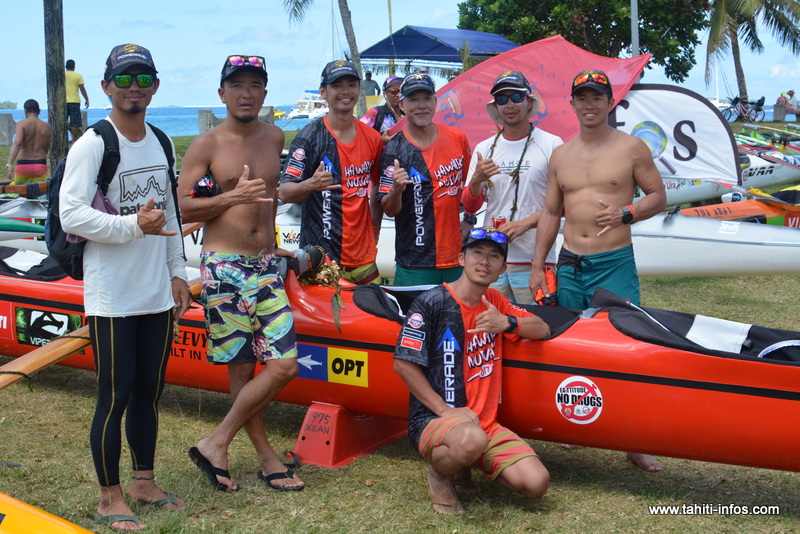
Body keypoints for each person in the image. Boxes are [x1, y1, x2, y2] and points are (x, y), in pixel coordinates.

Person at [59, 43, 189, 531]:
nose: (135, 87)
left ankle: (143, 481)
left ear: (155, 86)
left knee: (148, 391)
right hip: (112, 295)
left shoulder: (160, 140)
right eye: (125, 78)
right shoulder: (93, 142)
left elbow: (171, 214)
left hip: (156, 290)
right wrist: (135, 225)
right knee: (113, 395)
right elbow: (71, 213)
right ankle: (109, 496)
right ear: (107, 85)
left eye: (144, 78)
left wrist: (177, 271)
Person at [528, 69, 667, 472]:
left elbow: (658, 195)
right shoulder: (561, 155)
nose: (589, 105)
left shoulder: (631, 149)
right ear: (572, 104)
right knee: (568, 345)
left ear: (610, 103)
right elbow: (552, 211)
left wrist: (628, 211)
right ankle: (572, 426)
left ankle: (634, 440)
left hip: (613, 262)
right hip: (571, 262)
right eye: (582, 98)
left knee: (628, 347)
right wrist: (540, 265)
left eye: (597, 98)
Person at [180, 55, 304, 492]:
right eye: (237, 85)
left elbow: (273, 190)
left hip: (267, 265)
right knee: (242, 368)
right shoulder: (206, 146)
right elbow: (184, 207)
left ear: (265, 94)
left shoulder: (275, 135)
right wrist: (231, 198)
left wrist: (301, 188)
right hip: (225, 267)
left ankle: (216, 442)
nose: (246, 92)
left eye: (255, 85)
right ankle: (267, 458)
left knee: (284, 364)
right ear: (221, 94)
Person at [393, 227, 551, 514]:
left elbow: (542, 327)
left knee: (536, 483)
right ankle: (442, 476)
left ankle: (467, 463)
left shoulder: (496, 302)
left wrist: (508, 323)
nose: (484, 261)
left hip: (484, 425)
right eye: (477, 252)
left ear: (502, 268)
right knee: (471, 438)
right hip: (433, 420)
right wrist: (444, 411)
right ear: (461, 258)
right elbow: (403, 364)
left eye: (494, 256)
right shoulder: (433, 302)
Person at [462, 71, 563, 304]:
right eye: (502, 99)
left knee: (533, 324)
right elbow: (470, 204)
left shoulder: (551, 144)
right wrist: (476, 181)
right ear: (495, 107)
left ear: (529, 102)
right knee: (492, 325)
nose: (509, 104)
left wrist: (524, 224)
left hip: (535, 259)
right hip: (492, 258)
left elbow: (563, 203)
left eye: (516, 97)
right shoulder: (486, 147)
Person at [280, 60, 383, 285]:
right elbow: (285, 192)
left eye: (351, 84)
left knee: (370, 318)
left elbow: (377, 186)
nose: (345, 91)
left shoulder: (373, 138)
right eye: (337, 85)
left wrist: (375, 228)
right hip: (320, 259)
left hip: (363, 258)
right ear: (323, 92)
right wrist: (310, 184)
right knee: (328, 321)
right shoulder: (308, 138)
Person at [378, 73, 472, 286]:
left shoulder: (457, 137)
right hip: (415, 263)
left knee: (458, 319)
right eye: (413, 99)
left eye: (426, 98)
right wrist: (396, 190)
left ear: (435, 102)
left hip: (457, 259)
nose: (421, 105)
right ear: (401, 105)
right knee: (412, 320)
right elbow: (388, 209)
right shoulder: (394, 150)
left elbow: (470, 188)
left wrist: (470, 218)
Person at [6, 99, 52, 184]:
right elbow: (46, 149)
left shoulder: (21, 124)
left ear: (25, 111)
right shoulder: (47, 127)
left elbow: (17, 143)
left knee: (20, 193)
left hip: (23, 165)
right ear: (39, 111)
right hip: (40, 165)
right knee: (40, 194)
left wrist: (9, 163)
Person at [359, 75, 404, 143]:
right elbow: (359, 136)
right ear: (385, 93)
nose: (398, 95)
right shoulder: (375, 112)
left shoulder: (410, 113)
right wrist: (380, 142)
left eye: (401, 92)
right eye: (393, 91)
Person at [65, 59, 90, 143]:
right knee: (74, 123)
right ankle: (74, 140)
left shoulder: (62, 75)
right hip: (74, 101)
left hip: (63, 101)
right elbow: (82, 89)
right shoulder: (78, 76)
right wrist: (86, 99)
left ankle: (62, 138)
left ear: (66, 66)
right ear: (74, 67)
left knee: (62, 121)